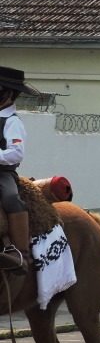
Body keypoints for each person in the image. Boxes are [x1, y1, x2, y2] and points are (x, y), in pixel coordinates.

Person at [0, 66, 41, 274]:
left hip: (2, 173)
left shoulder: (12, 121)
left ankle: (20, 253)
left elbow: (15, 154)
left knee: (10, 198)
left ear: (8, 93)